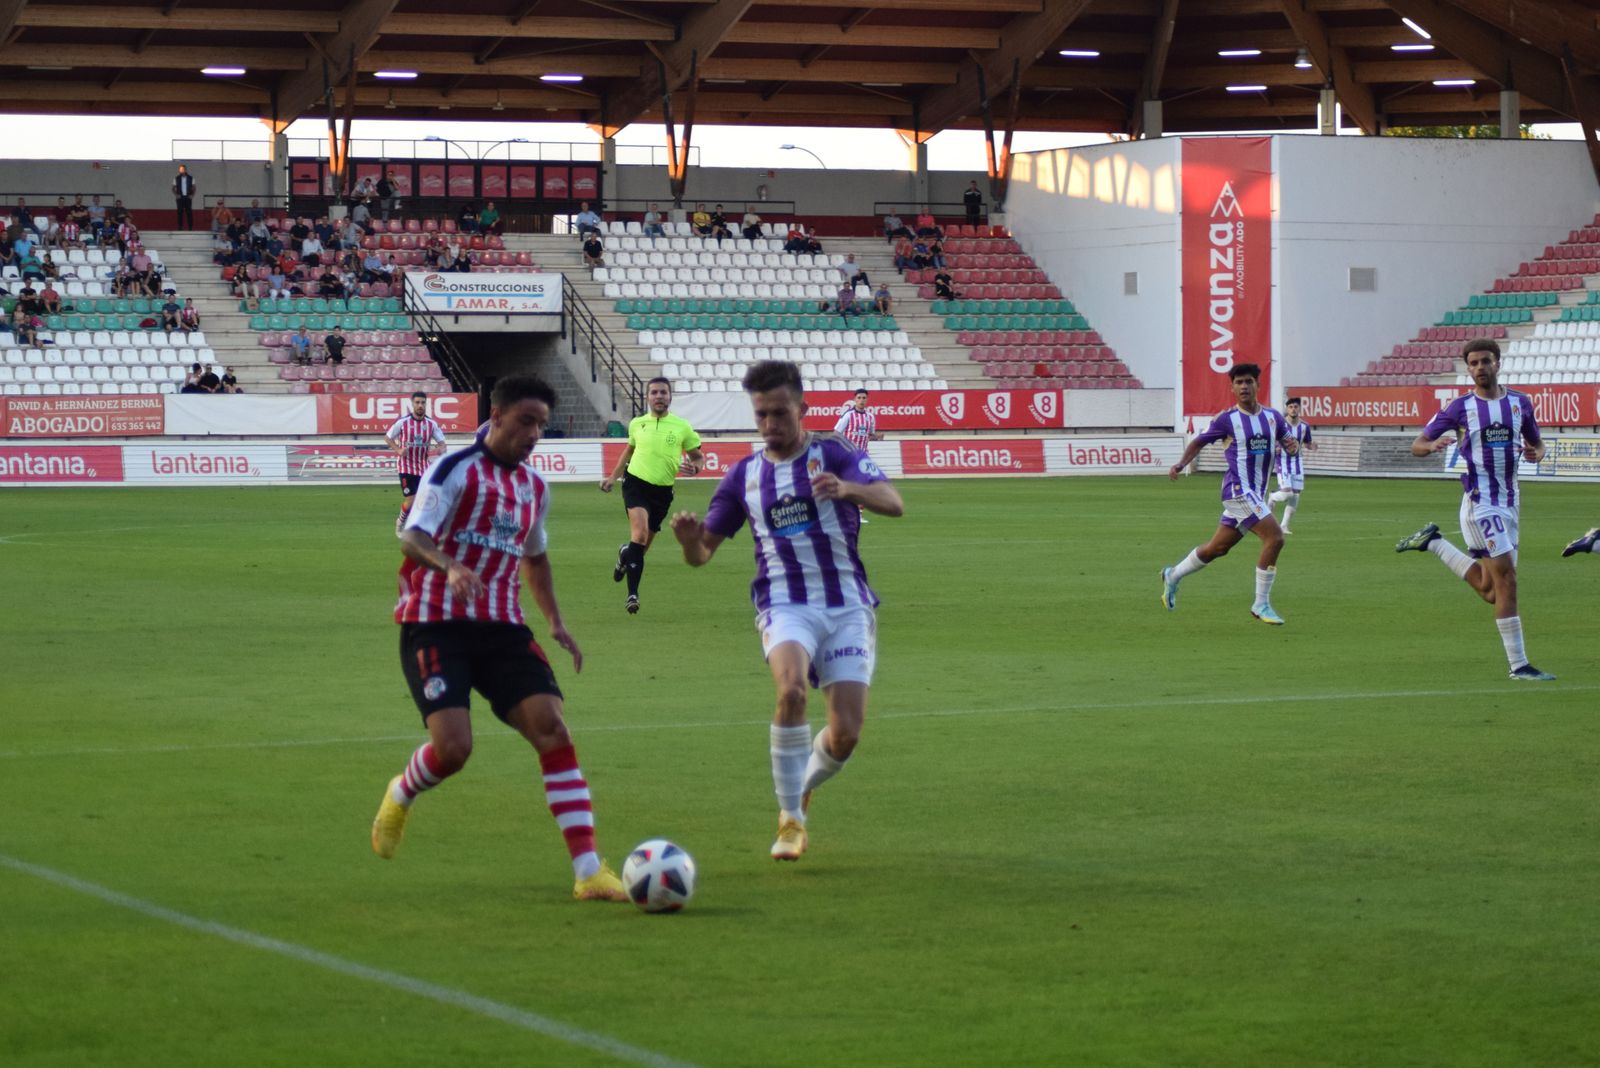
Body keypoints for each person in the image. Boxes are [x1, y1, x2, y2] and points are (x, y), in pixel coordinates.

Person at [372, 374, 628, 903]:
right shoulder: (452, 470)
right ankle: (401, 792)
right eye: (526, 421)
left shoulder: (535, 488)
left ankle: (588, 871)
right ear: (497, 415)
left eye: (541, 424)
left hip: (503, 628)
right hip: (435, 623)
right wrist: (450, 567)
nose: (534, 433)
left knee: (553, 729)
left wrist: (555, 621)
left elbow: (535, 558)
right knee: (454, 748)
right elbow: (413, 536)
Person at [670, 360, 904, 861]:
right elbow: (702, 555)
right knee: (792, 689)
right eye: (761, 415)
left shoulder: (836, 454)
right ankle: (791, 821)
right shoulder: (744, 477)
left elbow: (893, 501)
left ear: (802, 408)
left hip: (846, 604)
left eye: (779, 413)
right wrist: (690, 543)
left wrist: (848, 490)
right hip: (784, 601)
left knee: (845, 735)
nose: (770, 424)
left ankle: (801, 789)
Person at [1395, 338, 1553, 681]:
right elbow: (1417, 444)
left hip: (1510, 503)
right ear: (1468, 369)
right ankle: (1519, 666)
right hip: (1481, 504)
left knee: (1491, 589)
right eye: (1473, 363)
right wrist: (1432, 444)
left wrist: (1536, 453)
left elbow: (1538, 444)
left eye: (1485, 361)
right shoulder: (1459, 408)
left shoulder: (1520, 404)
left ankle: (1434, 543)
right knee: (1508, 581)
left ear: (1498, 363)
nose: (1480, 368)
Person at [1159, 363, 1296, 625]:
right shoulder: (1227, 420)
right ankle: (1261, 604)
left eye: (1248, 381)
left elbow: (1290, 444)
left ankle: (1172, 575)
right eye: (1239, 382)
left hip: (1254, 494)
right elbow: (1199, 441)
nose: (1244, 386)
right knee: (1275, 537)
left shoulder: (1273, 418)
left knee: (1217, 549)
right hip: (1237, 492)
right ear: (1232, 388)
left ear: (1258, 384)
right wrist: (1181, 463)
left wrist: (1292, 447)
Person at [598, 377, 704, 614]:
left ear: (670, 397)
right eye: (654, 392)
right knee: (640, 533)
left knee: (640, 547)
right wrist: (612, 477)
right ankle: (632, 595)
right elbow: (629, 451)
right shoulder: (637, 424)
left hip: (663, 493)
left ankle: (625, 555)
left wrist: (696, 466)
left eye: (663, 392)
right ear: (647, 397)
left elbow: (698, 457)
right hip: (635, 483)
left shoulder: (682, 427)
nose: (659, 396)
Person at [386, 392, 449, 536]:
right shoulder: (403, 422)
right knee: (411, 498)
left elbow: (442, 444)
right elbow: (388, 437)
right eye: (417, 403)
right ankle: (401, 522)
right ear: (412, 404)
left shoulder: (431, 424)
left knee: (428, 498)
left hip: (423, 467)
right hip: (406, 465)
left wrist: (440, 450)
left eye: (423, 403)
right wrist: (398, 450)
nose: (420, 405)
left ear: (426, 404)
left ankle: (423, 525)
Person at [1267, 396, 1314, 533]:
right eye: (1290, 407)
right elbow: (1271, 439)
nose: (1293, 409)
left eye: (1296, 407)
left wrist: (1312, 446)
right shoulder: (1280, 425)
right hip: (1282, 462)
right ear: (1287, 409)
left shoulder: (1305, 426)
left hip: (1297, 463)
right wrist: (1274, 448)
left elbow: (1307, 442)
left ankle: (1283, 526)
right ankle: (1272, 496)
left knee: (1296, 495)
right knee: (1287, 493)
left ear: (1299, 409)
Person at [834, 388, 882, 454]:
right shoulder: (848, 414)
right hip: (849, 453)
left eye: (864, 398)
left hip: (863, 454)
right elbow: (836, 432)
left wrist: (877, 437)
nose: (861, 400)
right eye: (859, 398)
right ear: (855, 399)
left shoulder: (870, 416)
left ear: (867, 400)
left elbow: (869, 435)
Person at [173, 164, 196, 230]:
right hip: (180, 198)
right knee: (180, 212)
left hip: (188, 197)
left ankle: (190, 227)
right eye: (180, 170)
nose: (180, 171)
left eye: (182, 169)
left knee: (189, 212)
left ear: (185, 170)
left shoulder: (191, 178)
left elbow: (194, 187)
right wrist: (176, 195)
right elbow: (173, 188)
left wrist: (192, 195)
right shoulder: (176, 178)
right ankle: (180, 227)